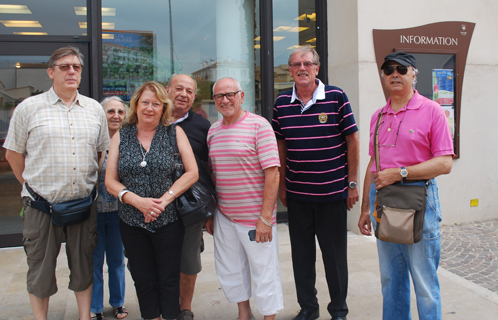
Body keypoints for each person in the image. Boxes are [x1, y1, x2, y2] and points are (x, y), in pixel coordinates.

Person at [3, 46, 110, 320]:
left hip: (83, 205)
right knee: (39, 269)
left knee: (84, 267)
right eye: (64, 66)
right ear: (51, 72)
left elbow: (101, 152)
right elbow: (13, 154)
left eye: (76, 67)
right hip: (42, 207)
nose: (71, 71)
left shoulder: (94, 109)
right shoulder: (29, 108)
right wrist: (30, 185)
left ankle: (84, 316)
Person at [358, 51, 453, 320]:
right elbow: (373, 164)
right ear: (383, 76)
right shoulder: (378, 115)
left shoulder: (432, 110)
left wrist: (400, 173)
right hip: (383, 202)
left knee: (424, 284)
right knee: (391, 280)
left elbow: (444, 163)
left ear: (414, 74)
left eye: (401, 68)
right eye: (389, 70)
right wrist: (365, 208)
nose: (395, 74)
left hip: (419, 199)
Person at [271, 45, 359, 320]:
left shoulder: (336, 97)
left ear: (317, 68)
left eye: (307, 63)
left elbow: (353, 140)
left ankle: (339, 310)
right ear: (290, 70)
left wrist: (352, 183)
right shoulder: (281, 103)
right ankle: (308, 308)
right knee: (302, 258)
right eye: (296, 64)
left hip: (332, 194)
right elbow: (280, 145)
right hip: (297, 196)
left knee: (334, 258)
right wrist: (283, 185)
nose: (301, 68)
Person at [105, 81, 198, 320]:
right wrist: (138, 201)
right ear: (136, 105)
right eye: (145, 102)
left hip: (168, 220)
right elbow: (110, 181)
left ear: (163, 108)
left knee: (168, 278)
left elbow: (192, 172)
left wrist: (163, 201)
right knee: (142, 277)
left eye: (156, 104)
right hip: (131, 221)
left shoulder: (173, 132)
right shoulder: (121, 136)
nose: (149, 108)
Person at [205, 77, 283, 320]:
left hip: (255, 218)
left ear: (241, 96)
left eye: (230, 94)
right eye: (219, 96)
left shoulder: (260, 126)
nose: (225, 100)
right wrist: (212, 214)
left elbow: (273, 173)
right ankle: (244, 313)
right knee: (231, 269)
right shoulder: (213, 130)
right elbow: (213, 174)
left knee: (264, 272)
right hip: (225, 216)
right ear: (214, 100)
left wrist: (265, 218)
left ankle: (268, 317)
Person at [166, 74, 211, 320]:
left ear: (194, 97)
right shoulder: (151, 121)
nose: (183, 94)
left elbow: (211, 169)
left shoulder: (203, 127)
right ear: (167, 90)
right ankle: (164, 306)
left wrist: (210, 211)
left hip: (190, 209)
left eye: (189, 91)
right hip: (155, 207)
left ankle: (185, 309)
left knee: (188, 262)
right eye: (178, 88)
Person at [91, 96, 128, 320]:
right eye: (110, 111)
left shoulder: (129, 141)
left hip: (118, 212)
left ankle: (118, 303)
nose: (116, 116)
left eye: (120, 112)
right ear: (102, 114)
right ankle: (95, 308)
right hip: (93, 213)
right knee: (95, 262)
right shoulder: (94, 140)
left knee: (116, 260)